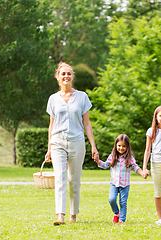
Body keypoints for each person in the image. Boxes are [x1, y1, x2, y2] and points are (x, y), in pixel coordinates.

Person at [45, 62, 99, 225]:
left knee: (74, 180)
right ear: (58, 77)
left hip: (77, 142)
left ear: (72, 76)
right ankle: (60, 215)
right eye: (63, 74)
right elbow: (51, 125)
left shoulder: (82, 97)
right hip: (58, 143)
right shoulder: (53, 99)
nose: (66, 76)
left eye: (69, 73)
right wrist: (49, 148)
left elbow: (87, 124)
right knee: (60, 178)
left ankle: (73, 215)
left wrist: (93, 146)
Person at [94, 134, 147, 223]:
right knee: (111, 199)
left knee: (123, 202)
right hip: (114, 183)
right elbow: (106, 165)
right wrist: (98, 161)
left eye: (123, 146)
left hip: (125, 184)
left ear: (127, 147)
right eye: (119, 146)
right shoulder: (112, 156)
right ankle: (117, 213)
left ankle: (122, 220)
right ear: (116, 146)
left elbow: (135, 167)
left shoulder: (129, 158)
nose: (121, 148)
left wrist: (142, 173)